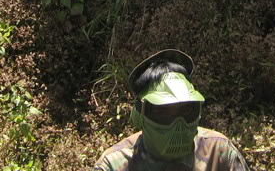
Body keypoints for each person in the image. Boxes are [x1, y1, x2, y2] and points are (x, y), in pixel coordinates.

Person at [93, 50, 250, 171]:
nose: (178, 124)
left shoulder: (218, 152)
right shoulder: (114, 164)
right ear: (139, 115)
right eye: (163, 112)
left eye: (187, 111)